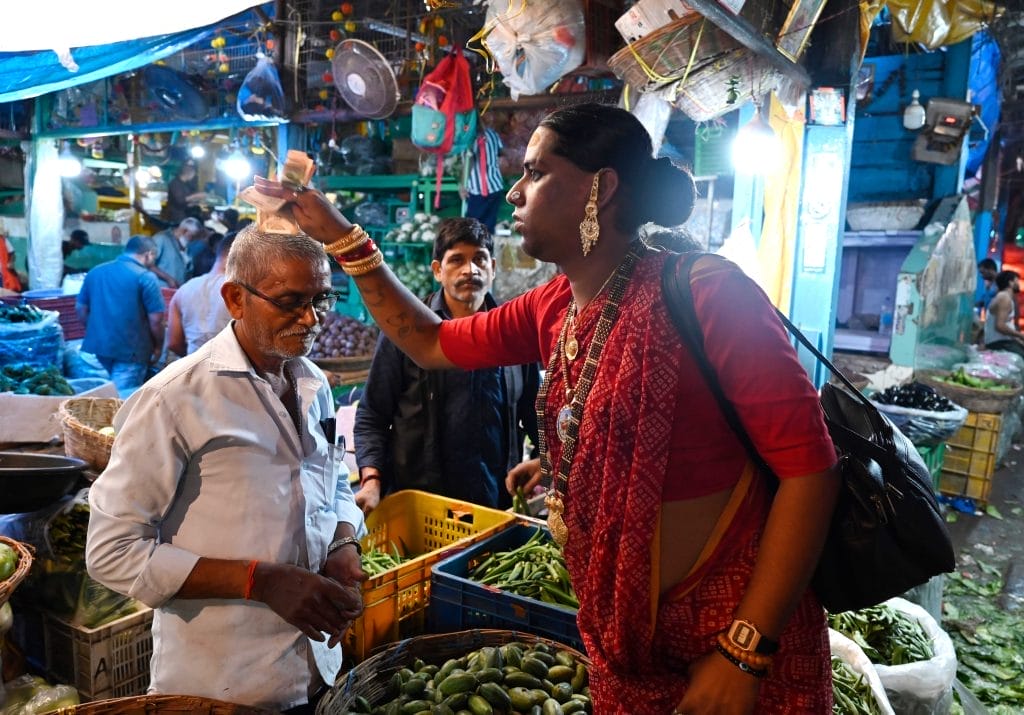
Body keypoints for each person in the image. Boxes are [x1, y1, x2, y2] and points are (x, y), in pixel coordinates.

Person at [274, 103, 841, 714]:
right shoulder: (552, 308)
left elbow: (811, 472)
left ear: (603, 186)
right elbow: (430, 341)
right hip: (623, 649)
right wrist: (338, 235)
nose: (515, 193)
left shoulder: (708, 292)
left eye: (537, 172)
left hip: (730, 638)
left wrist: (744, 651)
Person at [86, 226, 365, 713]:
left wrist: (342, 539)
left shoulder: (312, 381)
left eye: (322, 300)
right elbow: (112, 552)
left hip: (318, 668)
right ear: (236, 299)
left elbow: (332, 478)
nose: (311, 318)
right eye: (290, 302)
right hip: (219, 685)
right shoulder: (173, 399)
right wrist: (259, 580)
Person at [353, 217, 539, 514]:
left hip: (496, 504)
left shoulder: (513, 334)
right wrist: (372, 479)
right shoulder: (409, 333)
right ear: (438, 271)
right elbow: (372, 414)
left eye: (479, 259)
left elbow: (535, 412)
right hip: (420, 505)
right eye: (457, 260)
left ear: (492, 267)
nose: (470, 270)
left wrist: (550, 464)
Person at [76, 235, 165, 393]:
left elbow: (81, 309)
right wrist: (158, 347)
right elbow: (156, 319)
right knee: (122, 401)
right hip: (131, 351)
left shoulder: (96, 272)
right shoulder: (145, 277)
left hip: (99, 348)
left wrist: (95, 331)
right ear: (149, 254)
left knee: (105, 394)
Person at [166, 232, 236, 357]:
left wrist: (196, 358)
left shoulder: (184, 290)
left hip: (193, 371)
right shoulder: (243, 292)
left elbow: (173, 343)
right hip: (233, 372)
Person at [461, 121, 505, 233]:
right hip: (495, 186)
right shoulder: (492, 134)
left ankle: (477, 248)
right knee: (488, 227)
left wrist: (462, 185)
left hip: (478, 189)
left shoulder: (468, 137)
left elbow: (469, 160)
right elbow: (501, 151)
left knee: (474, 227)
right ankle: (487, 249)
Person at [151, 217, 204, 288]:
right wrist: (168, 279)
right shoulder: (161, 239)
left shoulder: (187, 246)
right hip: (161, 290)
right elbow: (148, 265)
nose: (193, 240)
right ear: (185, 231)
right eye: (192, 236)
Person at [983, 270, 1024, 358]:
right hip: (1000, 344)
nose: (1019, 284)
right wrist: (1020, 335)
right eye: (1016, 281)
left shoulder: (1005, 297)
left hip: (1005, 342)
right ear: (1010, 283)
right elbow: (1000, 326)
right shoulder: (1004, 298)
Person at [163, 159, 207, 224]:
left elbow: (189, 201)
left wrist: (196, 202)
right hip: (177, 220)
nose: (195, 176)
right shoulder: (175, 183)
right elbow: (180, 200)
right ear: (187, 171)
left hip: (187, 218)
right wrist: (196, 196)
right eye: (194, 173)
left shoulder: (188, 184)